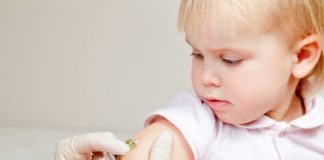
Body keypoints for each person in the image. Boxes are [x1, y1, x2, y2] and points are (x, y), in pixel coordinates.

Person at [55, 0, 324, 159]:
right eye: (197, 54)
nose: (206, 78)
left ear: (301, 56)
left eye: (230, 60)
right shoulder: (199, 118)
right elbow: (149, 148)